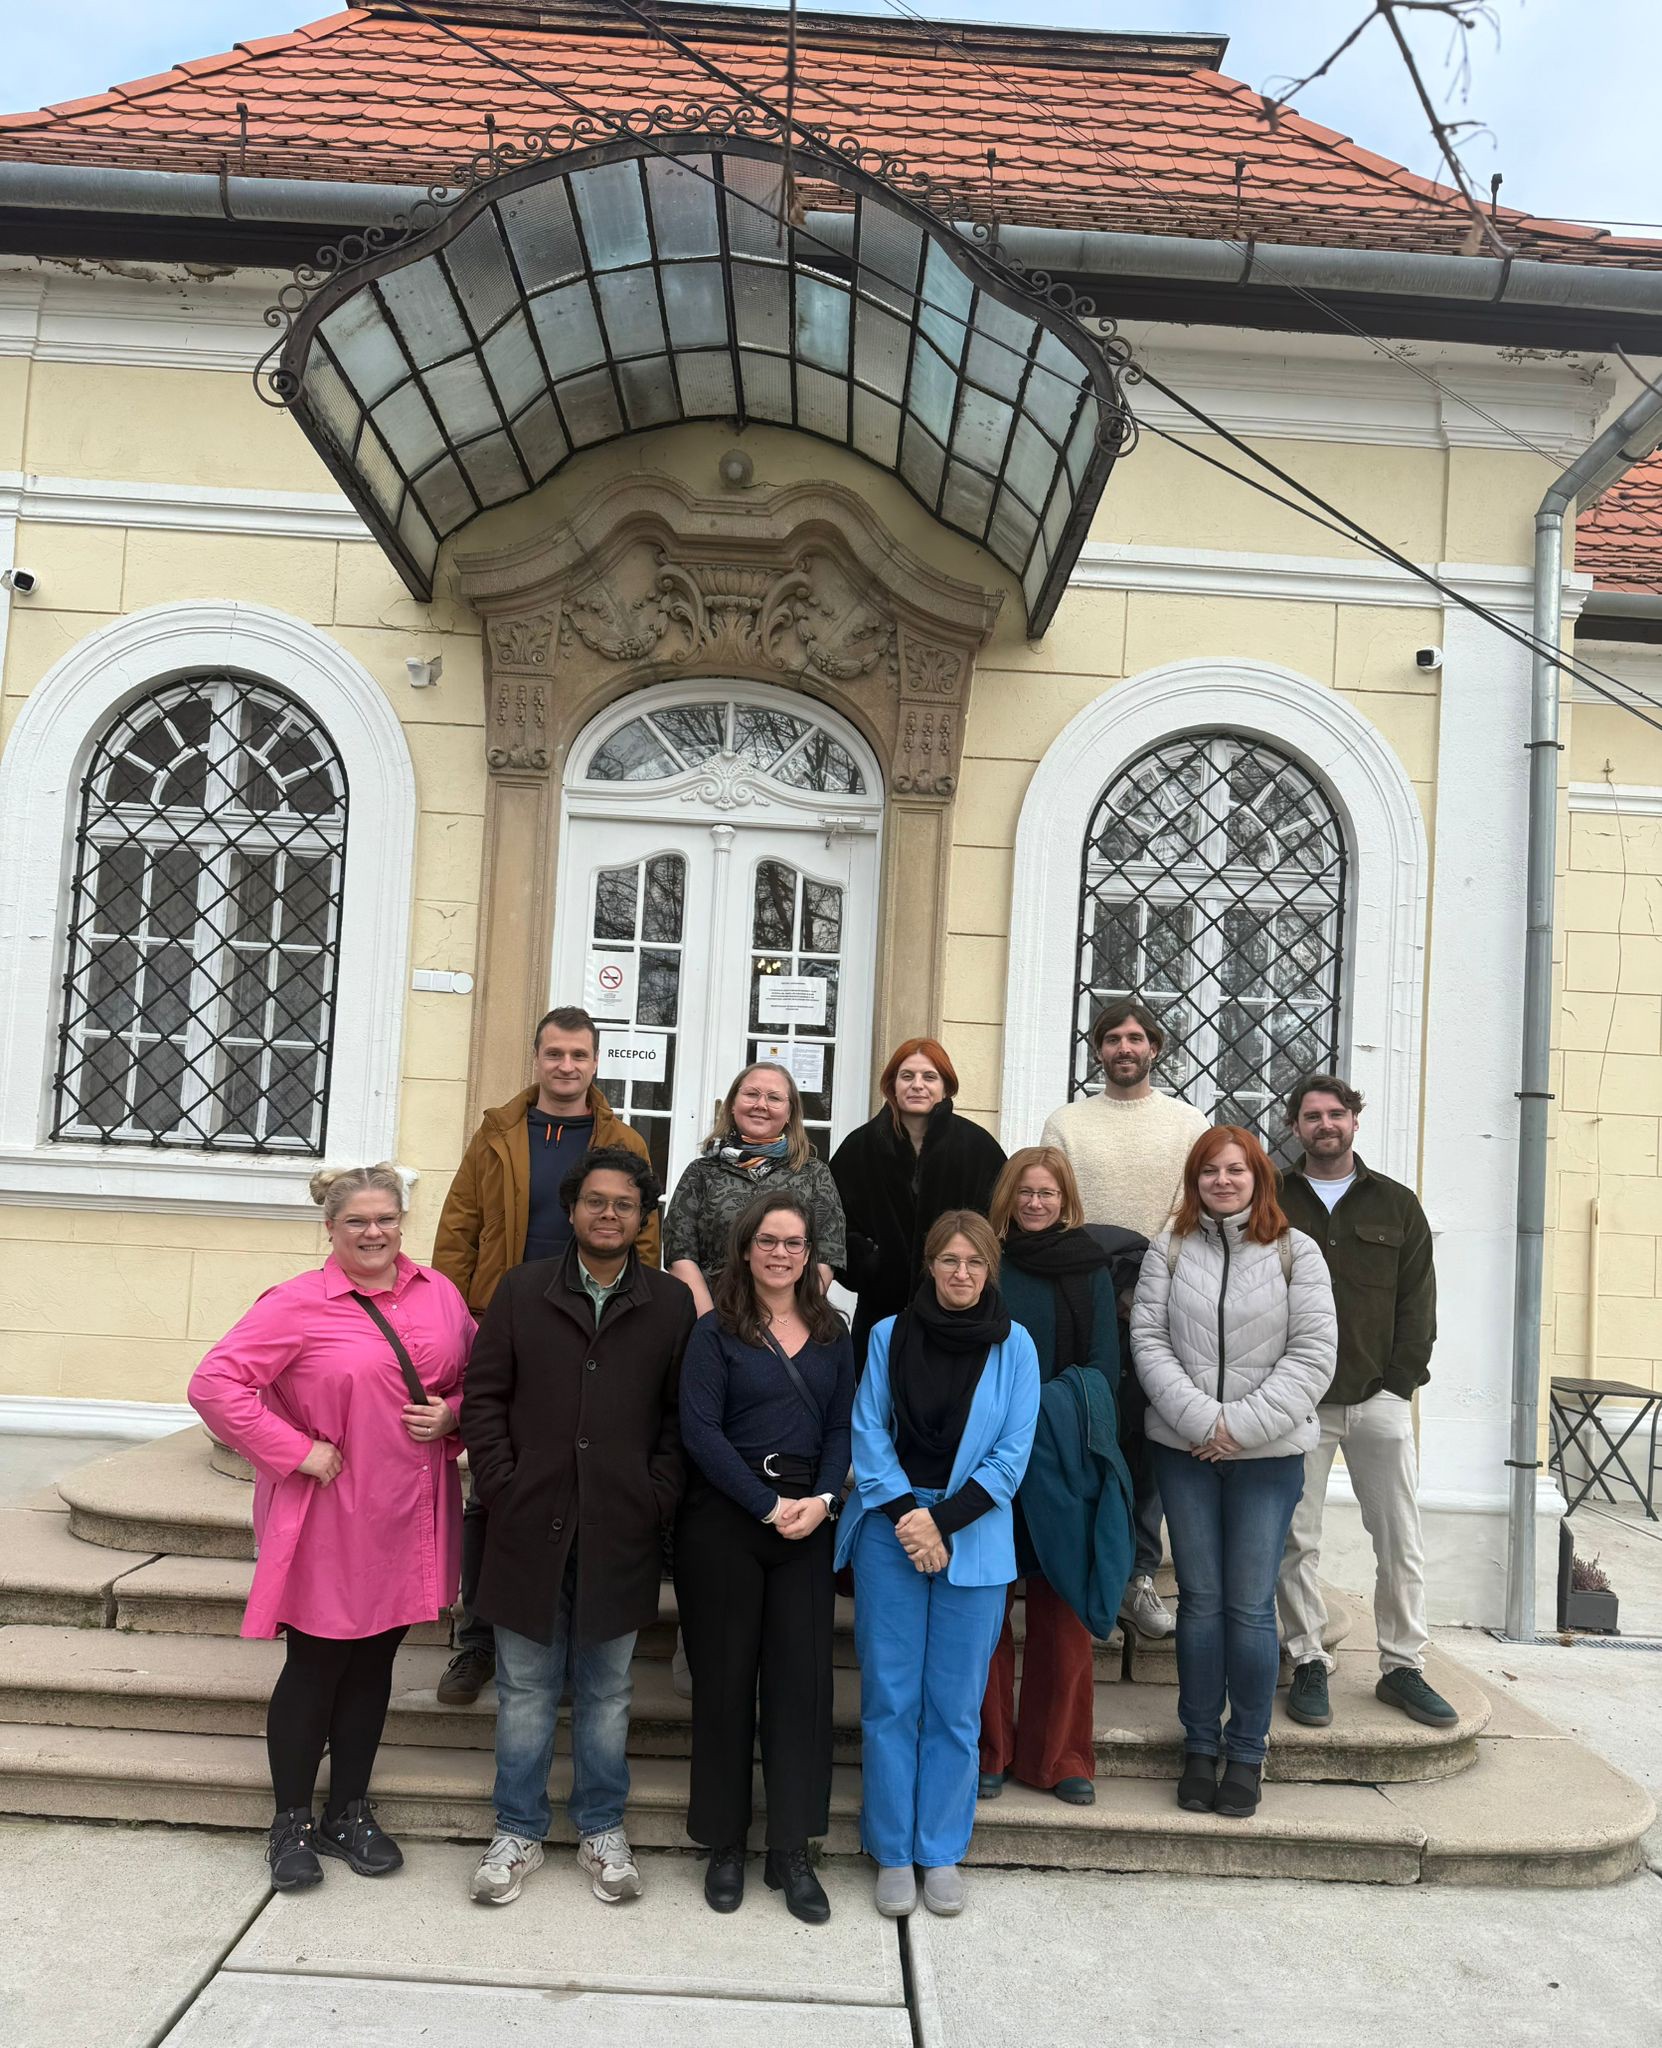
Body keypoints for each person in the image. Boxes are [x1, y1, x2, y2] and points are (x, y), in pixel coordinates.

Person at [188, 1164, 473, 1891]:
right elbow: (215, 1383)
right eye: (357, 1222)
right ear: (331, 1229)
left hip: (412, 1513)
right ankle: (289, 1821)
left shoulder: (439, 1293)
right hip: (331, 1512)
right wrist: (296, 1450)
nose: (373, 1233)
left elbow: (477, 1374)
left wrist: (454, 1414)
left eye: (385, 1219)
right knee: (315, 1666)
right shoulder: (294, 1304)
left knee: (375, 1665)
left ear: (402, 1221)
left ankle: (348, 1809)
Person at [461, 1146, 693, 1908]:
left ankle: (601, 1827)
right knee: (525, 1686)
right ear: (571, 1209)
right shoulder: (522, 1292)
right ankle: (517, 1828)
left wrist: (654, 1493)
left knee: (608, 1690)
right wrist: (501, 1483)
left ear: (642, 1217)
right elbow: (484, 1399)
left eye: (624, 1204)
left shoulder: (667, 1304)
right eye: (595, 1201)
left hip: (619, 1526)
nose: (608, 1214)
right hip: (530, 1521)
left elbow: (676, 1418)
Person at [431, 1005, 658, 1709]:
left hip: (594, 1332)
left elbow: (645, 1242)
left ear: (596, 1063)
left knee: (576, 1484)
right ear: (536, 1059)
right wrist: (460, 1316)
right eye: (554, 1054)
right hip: (509, 1324)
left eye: (579, 1056)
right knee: (493, 1484)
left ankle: (566, 1641)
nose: (566, 1067)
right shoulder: (499, 1133)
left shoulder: (624, 1140)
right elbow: (458, 1226)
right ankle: (478, 1640)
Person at [835, 1212, 1039, 1920]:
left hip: (972, 1535)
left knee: (954, 1707)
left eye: (974, 1263)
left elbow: (1011, 1456)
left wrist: (941, 1522)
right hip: (892, 1529)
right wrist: (907, 1521)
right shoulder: (890, 1335)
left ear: (990, 1270)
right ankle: (893, 1849)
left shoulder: (1016, 1347)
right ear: (929, 1265)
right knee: (891, 1699)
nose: (960, 1274)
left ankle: (941, 1848)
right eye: (948, 1261)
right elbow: (867, 1431)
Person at [1131, 1126, 1336, 1818]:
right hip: (1184, 1452)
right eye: (1210, 1171)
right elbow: (1149, 1340)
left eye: (1236, 1170)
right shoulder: (1170, 1245)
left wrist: (1238, 1427)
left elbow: (1312, 1357)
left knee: (1250, 1607)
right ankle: (1198, 1744)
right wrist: (1201, 1423)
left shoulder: (1294, 1253)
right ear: (1195, 1180)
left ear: (1258, 1178)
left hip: (1267, 1458)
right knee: (1201, 1602)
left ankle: (1247, 1752)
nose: (1223, 1181)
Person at [675, 1194, 855, 1924]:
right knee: (723, 1686)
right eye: (769, 1241)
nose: (782, 1253)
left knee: (801, 1691)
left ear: (809, 1254)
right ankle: (725, 1843)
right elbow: (700, 1430)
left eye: (795, 1243)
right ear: (745, 1248)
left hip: (807, 1524)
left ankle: (791, 1848)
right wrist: (764, 1504)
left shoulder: (833, 1332)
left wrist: (821, 1501)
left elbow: (844, 1426)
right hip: (727, 1520)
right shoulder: (715, 1332)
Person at [1275, 1075, 1456, 1731]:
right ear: (1295, 1127)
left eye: (1336, 1114)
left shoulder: (1397, 1205)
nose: (1325, 1124)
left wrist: (1399, 1383)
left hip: (1379, 1397)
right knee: (1297, 1540)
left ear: (1355, 1120)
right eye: (1311, 1116)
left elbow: (1419, 1304)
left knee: (1399, 1538)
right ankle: (1307, 1662)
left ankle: (1403, 1666)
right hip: (1298, 1403)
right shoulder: (1273, 1198)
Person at [1042, 999, 1210, 1641]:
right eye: (1113, 1038)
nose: (1125, 1048)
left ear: (1155, 1048)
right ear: (1098, 1049)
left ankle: (1138, 1574)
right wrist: (1097, 1274)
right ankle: (1082, 1568)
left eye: (1136, 1038)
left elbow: (1189, 1206)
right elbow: (1054, 1204)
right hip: (1081, 1300)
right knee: (1082, 1429)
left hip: (1161, 1300)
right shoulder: (1066, 1123)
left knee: (1145, 1439)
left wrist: (1144, 1279)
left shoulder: (1187, 1123)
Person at [978, 1148, 1135, 1808]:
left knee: (1063, 1611)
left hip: (1065, 1455)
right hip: (987, 1454)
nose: (1036, 1203)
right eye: (1025, 1192)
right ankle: (988, 1749)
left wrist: (1046, 1408)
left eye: (1048, 1192)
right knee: (983, 1614)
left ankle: (1061, 1755)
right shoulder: (983, 1261)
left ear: (1066, 1199)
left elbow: (1105, 1363)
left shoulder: (1087, 1266)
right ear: (1008, 1197)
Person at [829, 1038, 1007, 1366]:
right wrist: (867, 1260)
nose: (918, 1085)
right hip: (880, 1311)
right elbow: (831, 1221)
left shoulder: (978, 1148)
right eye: (907, 1076)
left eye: (929, 1077)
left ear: (945, 1087)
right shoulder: (859, 1148)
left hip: (958, 1311)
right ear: (892, 1086)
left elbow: (1001, 1222)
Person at [663, 1061, 846, 1316]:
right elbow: (679, 1252)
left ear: (790, 1113)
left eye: (774, 1098)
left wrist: (790, 1317)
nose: (761, 1105)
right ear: (732, 1105)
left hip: (789, 1324)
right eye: (751, 1094)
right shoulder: (700, 1173)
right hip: (711, 1316)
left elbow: (829, 1254)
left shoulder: (814, 1174)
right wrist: (709, 1323)